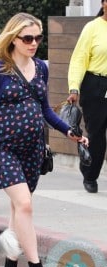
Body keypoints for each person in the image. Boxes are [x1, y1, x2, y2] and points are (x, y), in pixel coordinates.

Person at [0, 12, 88, 267]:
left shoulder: (41, 68)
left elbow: (44, 109)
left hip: (31, 150)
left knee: (18, 209)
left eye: (38, 37)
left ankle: (10, 265)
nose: (34, 43)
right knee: (25, 205)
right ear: (13, 39)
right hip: (2, 147)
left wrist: (68, 131)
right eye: (28, 38)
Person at [67, 0, 107, 193]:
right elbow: (79, 59)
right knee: (97, 135)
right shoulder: (92, 28)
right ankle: (90, 175)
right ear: (104, 3)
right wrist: (74, 87)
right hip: (96, 85)